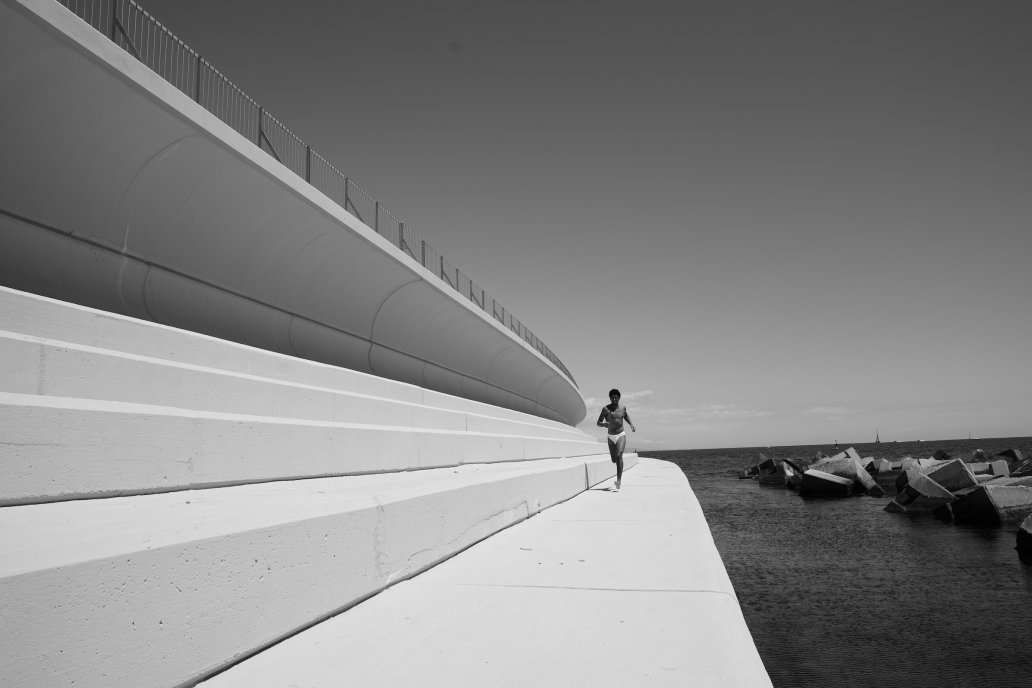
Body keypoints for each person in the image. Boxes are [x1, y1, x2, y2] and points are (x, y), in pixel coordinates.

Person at [596, 388, 636, 490]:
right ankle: (617, 468)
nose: (614, 399)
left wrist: (631, 425)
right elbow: (598, 422)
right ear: (610, 398)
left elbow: (626, 416)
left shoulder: (623, 408)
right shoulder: (606, 409)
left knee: (619, 456)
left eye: (616, 397)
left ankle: (618, 481)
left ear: (618, 398)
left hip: (620, 434)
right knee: (614, 460)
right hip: (610, 437)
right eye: (612, 397)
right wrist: (604, 424)